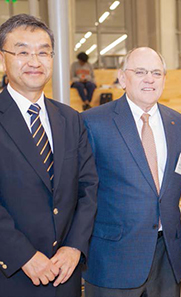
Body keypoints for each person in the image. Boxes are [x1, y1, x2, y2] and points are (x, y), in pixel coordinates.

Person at [0, 14, 98, 297]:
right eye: (22, 52)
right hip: (12, 276)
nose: (35, 61)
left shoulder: (70, 118)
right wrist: (24, 256)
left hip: (64, 274)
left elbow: (88, 188)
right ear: (3, 59)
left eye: (43, 52)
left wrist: (74, 247)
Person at [82, 47, 181, 297]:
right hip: (113, 260)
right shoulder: (93, 122)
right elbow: (82, 190)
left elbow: (175, 183)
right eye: (140, 71)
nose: (149, 79)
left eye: (156, 72)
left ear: (164, 78)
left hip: (167, 258)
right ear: (122, 78)